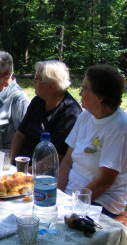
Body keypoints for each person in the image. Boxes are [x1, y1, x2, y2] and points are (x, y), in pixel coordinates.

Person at [58, 64, 127, 218]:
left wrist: (72, 206)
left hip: (100, 203)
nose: (80, 93)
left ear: (100, 96)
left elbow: (104, 182)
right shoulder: (85, 116)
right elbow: (67, 162)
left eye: (85, 89)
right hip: (71, 198)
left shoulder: (119, 126)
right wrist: (58, 196)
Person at [11, 60, 82, 165]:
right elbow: (19, 136)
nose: (34, 81)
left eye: (37, 79)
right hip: (22, 166)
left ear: (51, 86)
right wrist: (11, 165)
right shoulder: (37, 101)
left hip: (43, 174)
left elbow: (58, 157)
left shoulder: (70, 113)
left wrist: (27, 173)